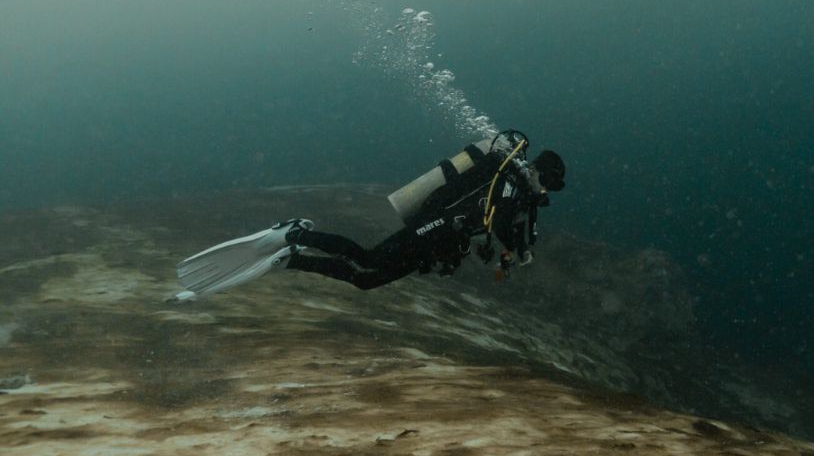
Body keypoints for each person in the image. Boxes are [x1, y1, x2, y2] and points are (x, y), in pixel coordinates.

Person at [172, 130, 565, 301]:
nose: (545, 192)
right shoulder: (511, 182)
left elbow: (506, 226)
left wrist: (518, 248)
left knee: (367, 281)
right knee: (368, 258)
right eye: (547, 184)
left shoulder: (519, 192)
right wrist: (516, 247)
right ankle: (296, 234)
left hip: (441, 240)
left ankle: (292, 259)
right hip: (434, 226)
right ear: (540, 174)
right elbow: (498, 221)